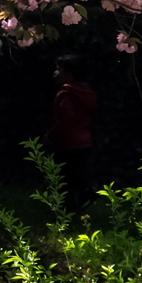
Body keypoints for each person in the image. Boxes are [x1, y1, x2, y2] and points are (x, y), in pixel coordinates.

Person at [50, 55, 98, 209]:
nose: (55, 73)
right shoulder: (86, 92)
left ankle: (69, 213)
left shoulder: (66, 95)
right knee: (80, 177)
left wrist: (50, 135)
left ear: (68, 73)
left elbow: (65, 121)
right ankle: (83, 205)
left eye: (59, 70)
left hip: (68, 143)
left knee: (66, 181)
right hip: (85, 141)